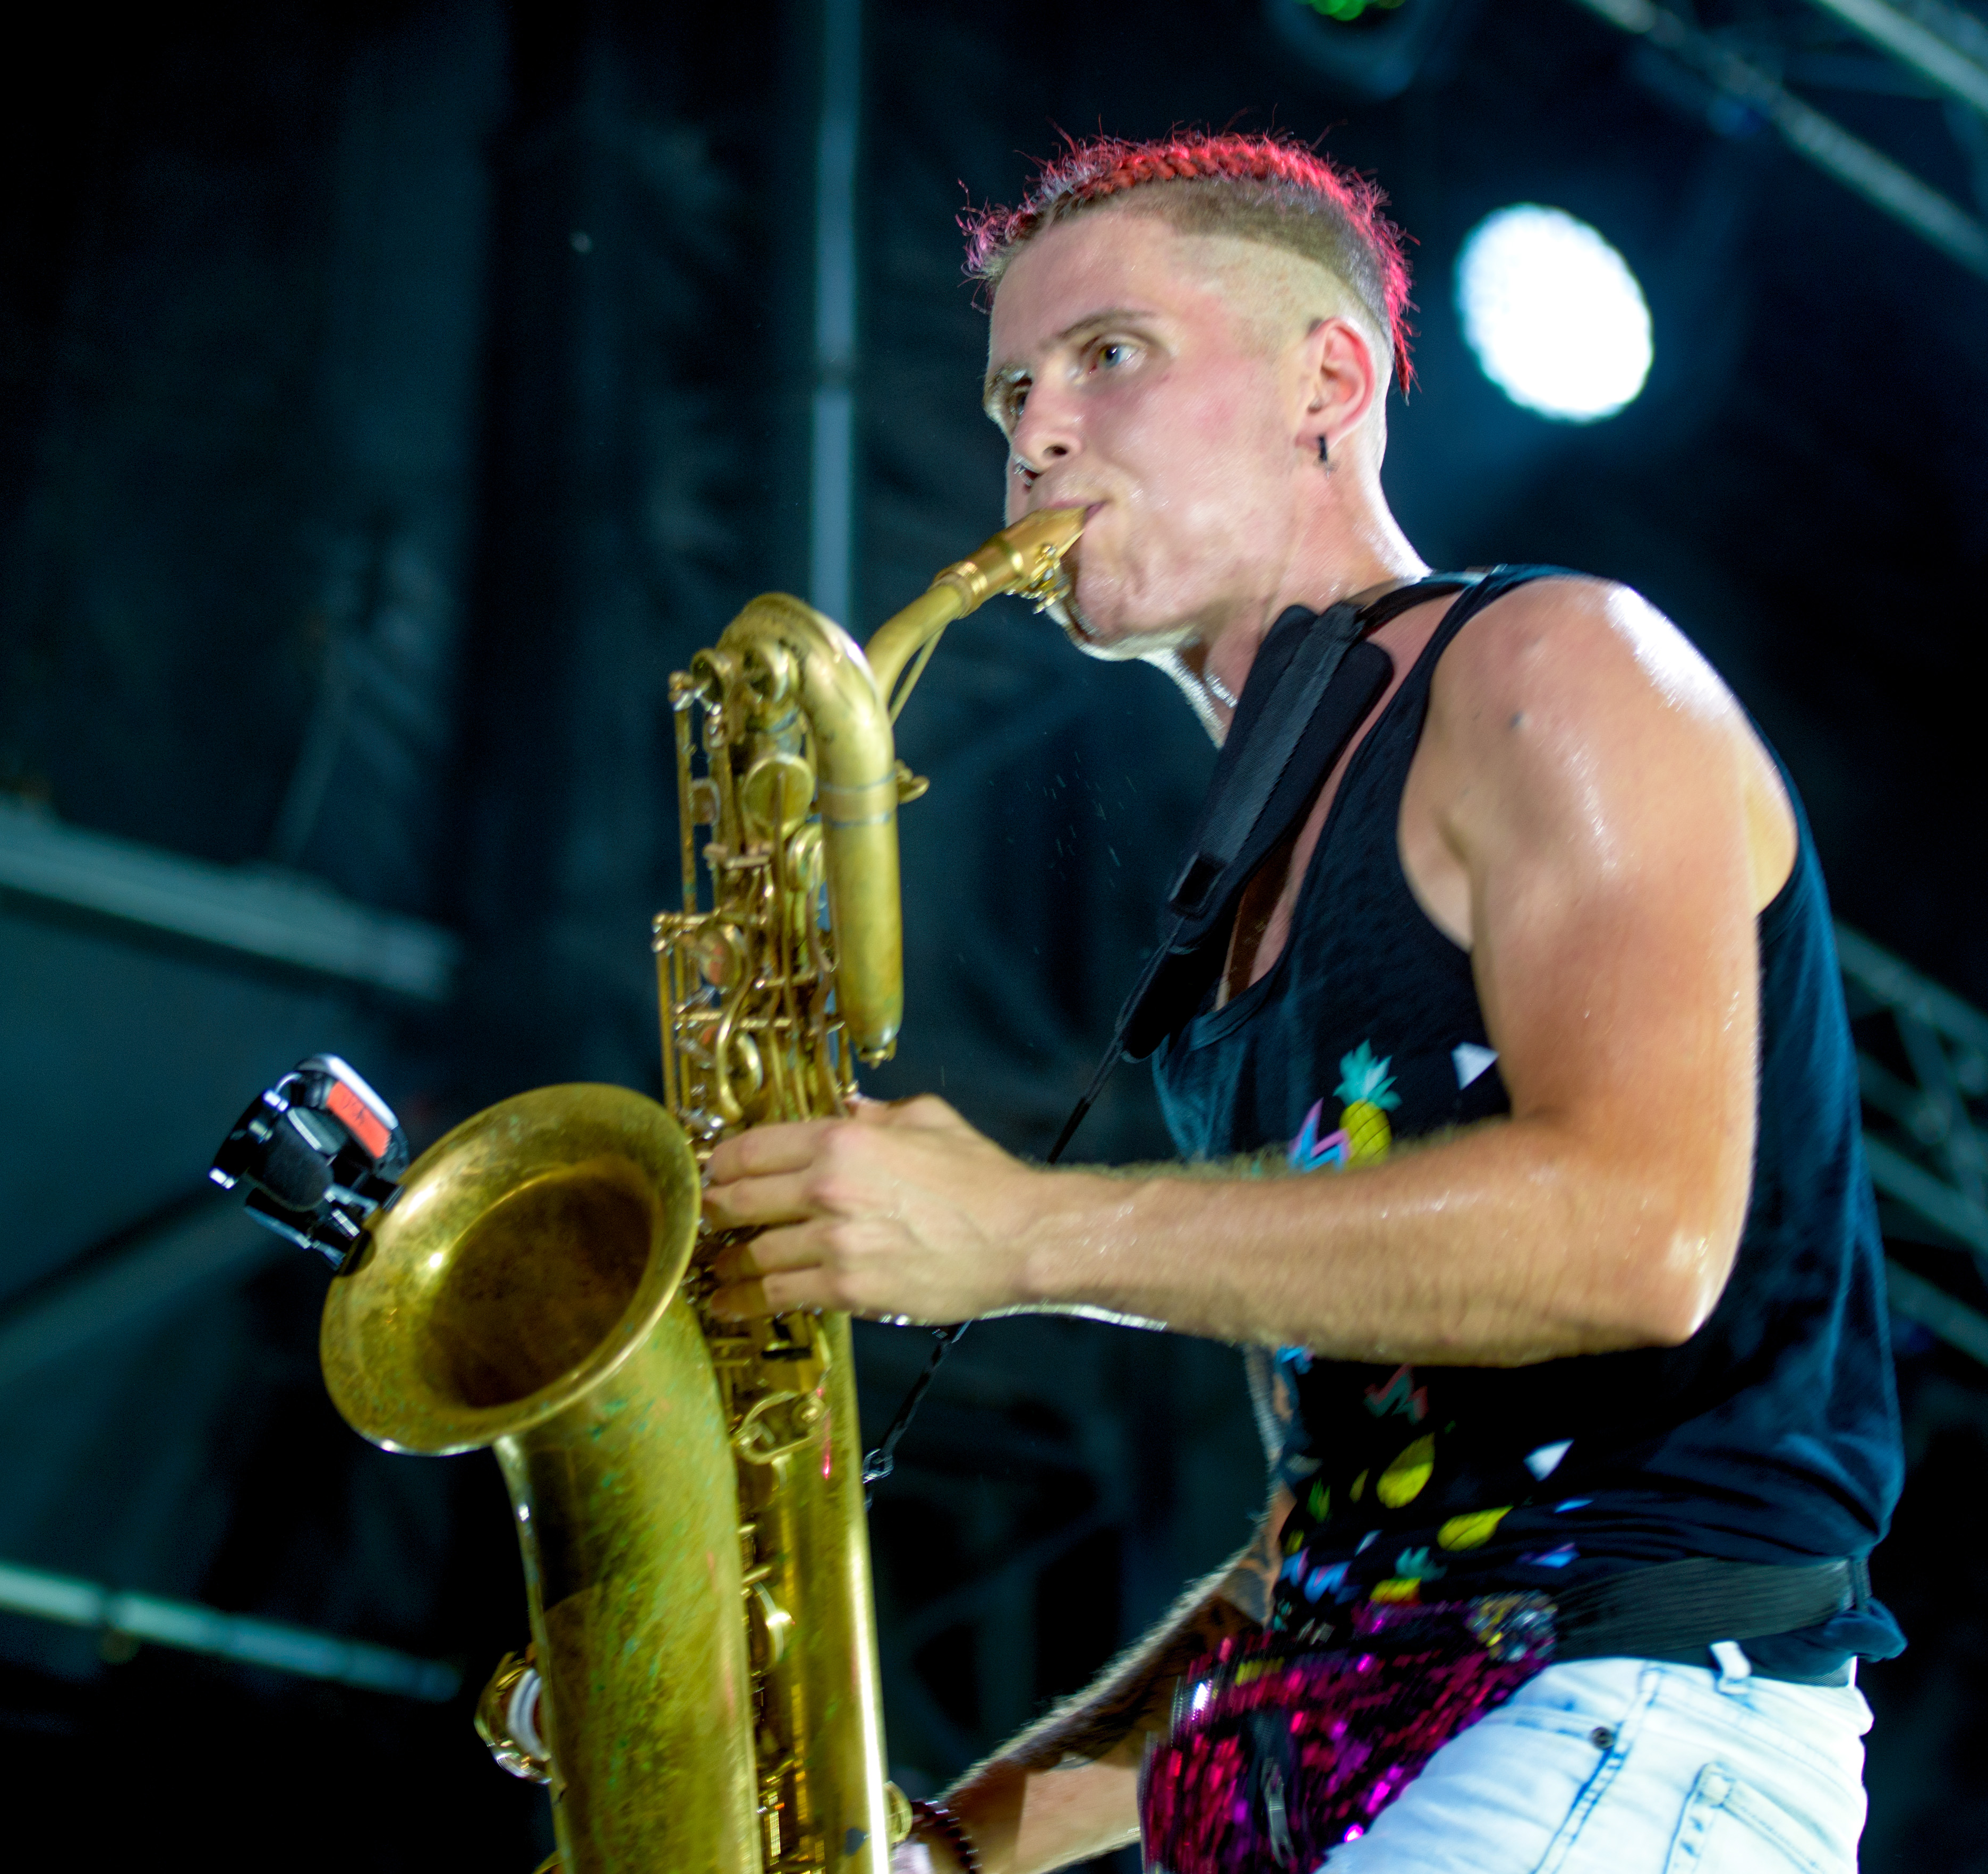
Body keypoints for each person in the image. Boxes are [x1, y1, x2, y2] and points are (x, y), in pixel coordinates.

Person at [704, 134, 1904, 1874]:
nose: (1034, 433)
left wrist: (1025, 1234)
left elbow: (1641, 1235)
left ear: (1328, 382)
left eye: (1111, 358)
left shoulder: (1552, 665)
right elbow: (1343, 1536)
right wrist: (953, 1849)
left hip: (1619, 1722)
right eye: (1013, 390)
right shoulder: (1240, 900)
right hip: (1415, 1761)